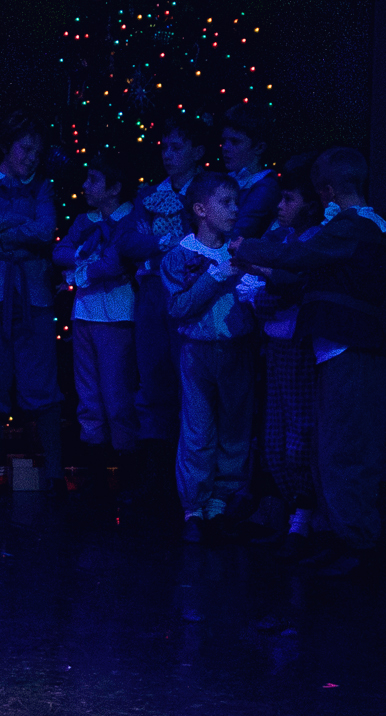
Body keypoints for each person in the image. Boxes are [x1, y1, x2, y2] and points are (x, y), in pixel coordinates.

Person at [234, 149, 386, 573]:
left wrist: (243, 244)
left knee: (345, 449)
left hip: (352, 351)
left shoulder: (353, 226)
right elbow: (298, 273)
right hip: (335, 350)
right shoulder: (348, 230)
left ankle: (356, 543)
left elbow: (297, 258)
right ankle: (336, 534)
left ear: (326, 191)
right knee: (329, 447)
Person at [0, 115, 64, 484]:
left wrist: (2, 228)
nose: (33, 157)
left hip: (31, 294)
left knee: (41, 379)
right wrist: (20, 225)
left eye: (38, 151)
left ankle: (53, 474)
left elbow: (45, 229)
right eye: (26, 148)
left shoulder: (42, 188)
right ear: (6, 146)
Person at [162, 169, 258, 540]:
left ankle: (221, 502)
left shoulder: (242, 249)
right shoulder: (180, 256)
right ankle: (194, 508)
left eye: (236, 202)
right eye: (225, 202)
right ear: (201, 209)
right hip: (197, 352)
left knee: (235, 426)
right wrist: (216, 277)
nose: (235, 210)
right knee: (198, 428)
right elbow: (178, 306)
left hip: (236, 349)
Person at [114, 118, 208, 455]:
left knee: (190, 377)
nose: (167, 154)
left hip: (192, 289)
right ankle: (155, 468)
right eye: (164, 147)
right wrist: (164, 241)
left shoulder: (207, 192)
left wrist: (156, 241)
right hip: (153, 290)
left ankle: (191, 470)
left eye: (176, 147)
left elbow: (202, 239)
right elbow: (127, 240)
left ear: (197, 152)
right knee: (153, 377)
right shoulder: (151, 194)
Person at [50, 158, 138, 477]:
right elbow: (59, 252)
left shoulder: (131, 217)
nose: (85, 186)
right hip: (85, 313)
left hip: (116, 314)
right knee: (88, 394)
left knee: (116, 394)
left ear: (114, 188)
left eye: (94, 180)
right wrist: (82, 260)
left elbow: (116, 264)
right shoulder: (85, 220)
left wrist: (77, 273)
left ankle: (127, 468)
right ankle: (95, 470)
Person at [252, 167, 323, 538]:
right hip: (277, 345)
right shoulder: (282, 237)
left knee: (299, 434)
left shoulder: (312, 243)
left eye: (288, 199)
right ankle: (295, 510)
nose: (280, 206)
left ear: (310, 205)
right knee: (275, 437)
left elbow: (291, 288)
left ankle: (306, 516)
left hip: (297, 347)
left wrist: (267, 282)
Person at [217, 106, 282, 237]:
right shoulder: (228, 179)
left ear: (259, 147)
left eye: (235, 142)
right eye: (224, 141)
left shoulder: (265, 186)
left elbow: (240, 232)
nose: (225, 148)